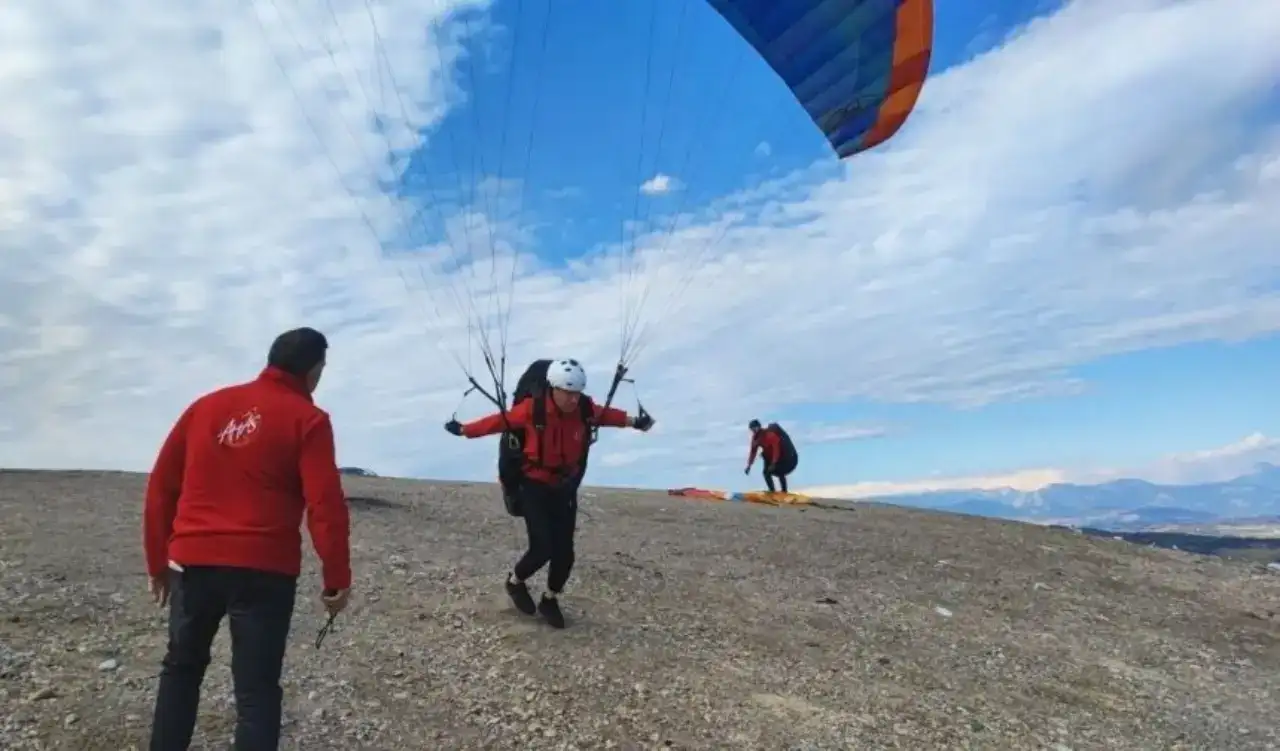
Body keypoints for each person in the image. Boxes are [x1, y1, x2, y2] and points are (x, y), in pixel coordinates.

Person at [142, 327, 352, 751]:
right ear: (314, 370)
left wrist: (157, 562)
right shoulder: (308, 420)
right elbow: (325, 507)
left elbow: (161, 487)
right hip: (264, 571)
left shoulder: (205, 407)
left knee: (181, 669)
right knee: (256, 689)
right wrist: (336, 579)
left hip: (193, 564)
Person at [444, 358, 654, 628]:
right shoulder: (534, 409)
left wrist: (635, 421)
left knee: (565, 554)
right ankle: (515, 582)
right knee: (542, 547)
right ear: (553, 388)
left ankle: (550, 598)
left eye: (577, 392)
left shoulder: (583, 409)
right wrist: (463, 430)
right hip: (534, 486)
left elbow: (606, 415)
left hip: (564, 487)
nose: (573, 398)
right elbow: (499, 422)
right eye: (568, 392)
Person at [744, 418, 795, 493]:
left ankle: (784, 491)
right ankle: (772, 491)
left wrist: (774, 463)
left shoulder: (769, 435)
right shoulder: (755, 438)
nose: (753, 430)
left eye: (754, 428)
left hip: (779, 456)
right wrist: (749, 465)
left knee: (780, 472)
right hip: (768, 457)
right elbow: (753, 452)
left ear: (759, 426)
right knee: (766, 473)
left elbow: (776, 449)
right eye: (751, 429)